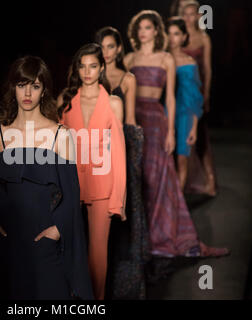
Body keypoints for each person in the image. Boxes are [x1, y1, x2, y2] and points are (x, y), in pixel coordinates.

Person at [0, 55, 93, 300]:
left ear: (44, 91)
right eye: (21, 84)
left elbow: (71, 195)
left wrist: (57, 230)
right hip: (10, 241)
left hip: (48, 239)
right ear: (12, 87)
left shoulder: (61, 135)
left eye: (35, 86)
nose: (27, 93)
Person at [123, 10, 228, 260]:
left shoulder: (166, 59)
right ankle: (139, 236)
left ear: (155, 31)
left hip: (157, 120)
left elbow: (170, 96)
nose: (142, 31)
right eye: (140, 27)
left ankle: (162, 235)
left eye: (148, 27)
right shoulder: (128, 59)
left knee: (159, 177)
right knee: (137, 179)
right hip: (134, 120)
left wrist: (170, 131)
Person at [58, 43, 126, 300]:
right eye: (82, 66)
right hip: (71, 181)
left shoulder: (113, 103)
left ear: (102, 68)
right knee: (70, 246)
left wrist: (117, 199)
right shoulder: (65, 101)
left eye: (93, 66)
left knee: (97, 251)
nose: (87, 72)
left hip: (102, 182)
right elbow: (58, 148)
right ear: (77, 69)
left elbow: (118, 153)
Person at [94, 26, 150, 300]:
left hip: (119, 151)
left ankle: (124, 285)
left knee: (123, 217)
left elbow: (129, 121)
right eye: (101, 47)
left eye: (110, 46)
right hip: (92, 157)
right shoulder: (89, 76)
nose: (106, 52)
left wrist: (134, 161)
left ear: (118, 48)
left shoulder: (127, 78)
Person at [182, 0, 218, 196]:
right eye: (184, 14)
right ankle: (183, 180)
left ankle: (210, 180)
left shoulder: (204, 38)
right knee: (183, 136)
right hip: (181, 91)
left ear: (198, 16)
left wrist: (206, 95)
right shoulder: (178, 37)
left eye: (191, 14)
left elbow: (208, 69)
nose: (188, 18)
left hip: (197, 91)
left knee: (201, 136)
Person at [167, 17, 204, 190]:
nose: (171, 38)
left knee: (182, 158)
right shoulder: (159, 60)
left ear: (183, 37)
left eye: (176, 34)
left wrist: (194, 127)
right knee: (164, 159)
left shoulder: (190, 63)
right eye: (169, 33)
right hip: (163, 113)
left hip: (184, 115)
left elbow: (195, 99)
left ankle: (177, 204)